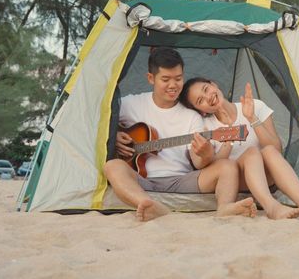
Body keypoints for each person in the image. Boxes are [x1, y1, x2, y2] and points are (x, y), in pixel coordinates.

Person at [104, 48, 256, 221]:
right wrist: (114, 134)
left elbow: (198, 162)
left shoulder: (191, 116)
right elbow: (100, 116)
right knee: (112, 166)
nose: (173, 85)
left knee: (228, 166)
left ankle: (225, 208)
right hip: (141, 178)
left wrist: (204, 154)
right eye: (165, 79)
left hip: (182, 180)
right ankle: (149, 204)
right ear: (150, 78)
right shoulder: (131, 104)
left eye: (178, 79)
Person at [178, 78, 299, 221]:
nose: (208, 97)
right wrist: (228, 142)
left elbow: (276, 148)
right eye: (200, 100)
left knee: (268, 151)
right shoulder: (206, 126)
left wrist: (251, 118)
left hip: (267, 175)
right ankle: (272, 207)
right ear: (201, 111)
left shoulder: (255, 106)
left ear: (214, 85)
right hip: (238, 180)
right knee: (252, 152)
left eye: (206, 89)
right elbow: (218, 167)